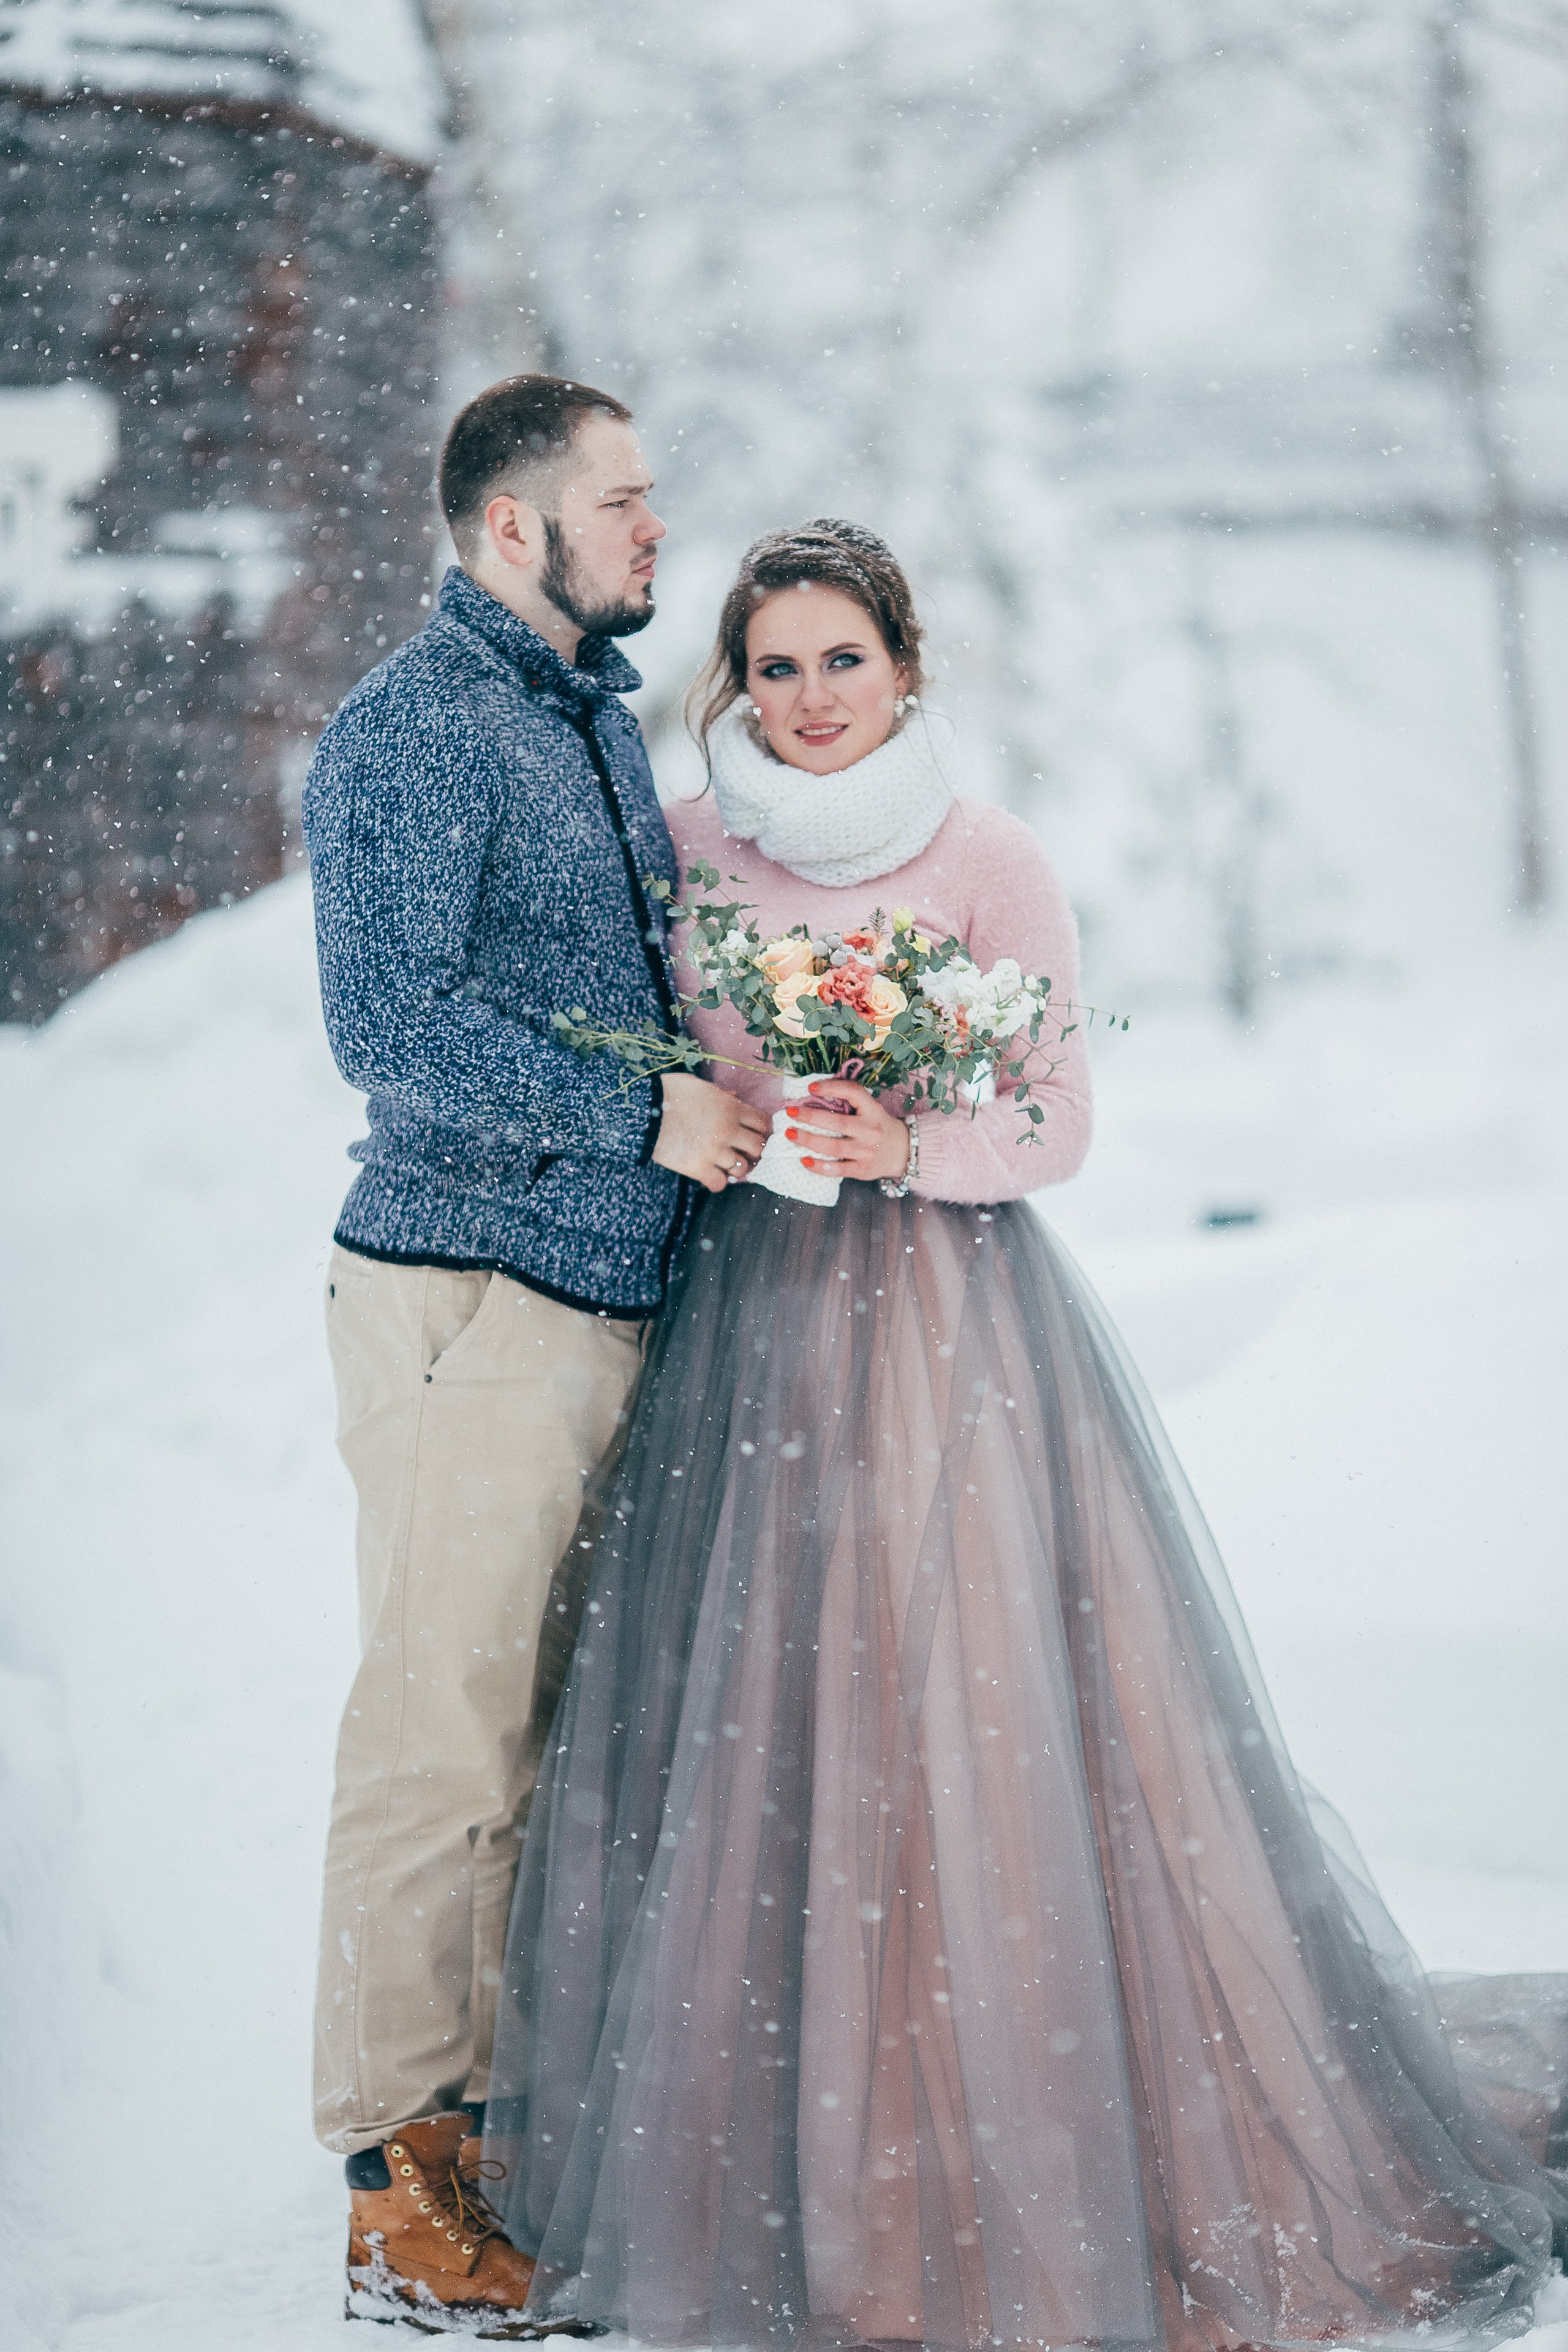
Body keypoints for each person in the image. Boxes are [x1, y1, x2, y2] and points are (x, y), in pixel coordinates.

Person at [484, 520, 1568, 2351]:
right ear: (731, 687)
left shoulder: (991, 858)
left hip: (954, 1323)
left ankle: (1023, 2127)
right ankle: (792, 2151)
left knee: (964, 1701)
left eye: (842, 660)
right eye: (775, 668)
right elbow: (640, 1065)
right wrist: (723, 1120)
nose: (810, 700)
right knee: (767, 1707)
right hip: (751, 1327)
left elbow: (1056, 1115)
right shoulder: (682, 853)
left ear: (907, 667)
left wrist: (912, 1142)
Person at [301, 373, 767, 2335]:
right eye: (624, 501)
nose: (659, 530)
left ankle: (494, 2135)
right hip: (473, 1301)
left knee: (542, 1750)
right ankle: (396, 2179)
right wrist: (644, 1119)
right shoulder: (415, 731)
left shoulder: (578, 718)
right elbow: (388, 1031)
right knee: (444, 1747)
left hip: (600, 1306)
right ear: (516, 529)